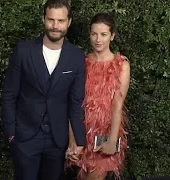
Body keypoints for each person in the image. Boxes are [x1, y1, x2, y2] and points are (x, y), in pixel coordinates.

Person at [1, 0, 86, 179]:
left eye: (61, 21)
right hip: (25, 137)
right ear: (43, 19)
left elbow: (75, 101)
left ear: (69, 22)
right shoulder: (23, 51)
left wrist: (78, 138)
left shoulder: (77, 56)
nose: (55, 26)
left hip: (57, 140)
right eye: (51, 20)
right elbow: (9, 94)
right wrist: (11, 132)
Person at [66, 12, 131, 180]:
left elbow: (118, 105)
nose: (98, 39)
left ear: (112, 36)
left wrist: (111, 140)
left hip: (106, 133)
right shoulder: (82, 62)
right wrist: (73, 140)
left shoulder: (121, 65)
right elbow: (73, 103)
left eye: (103, 34)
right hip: (82, 133)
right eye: (94, 34)